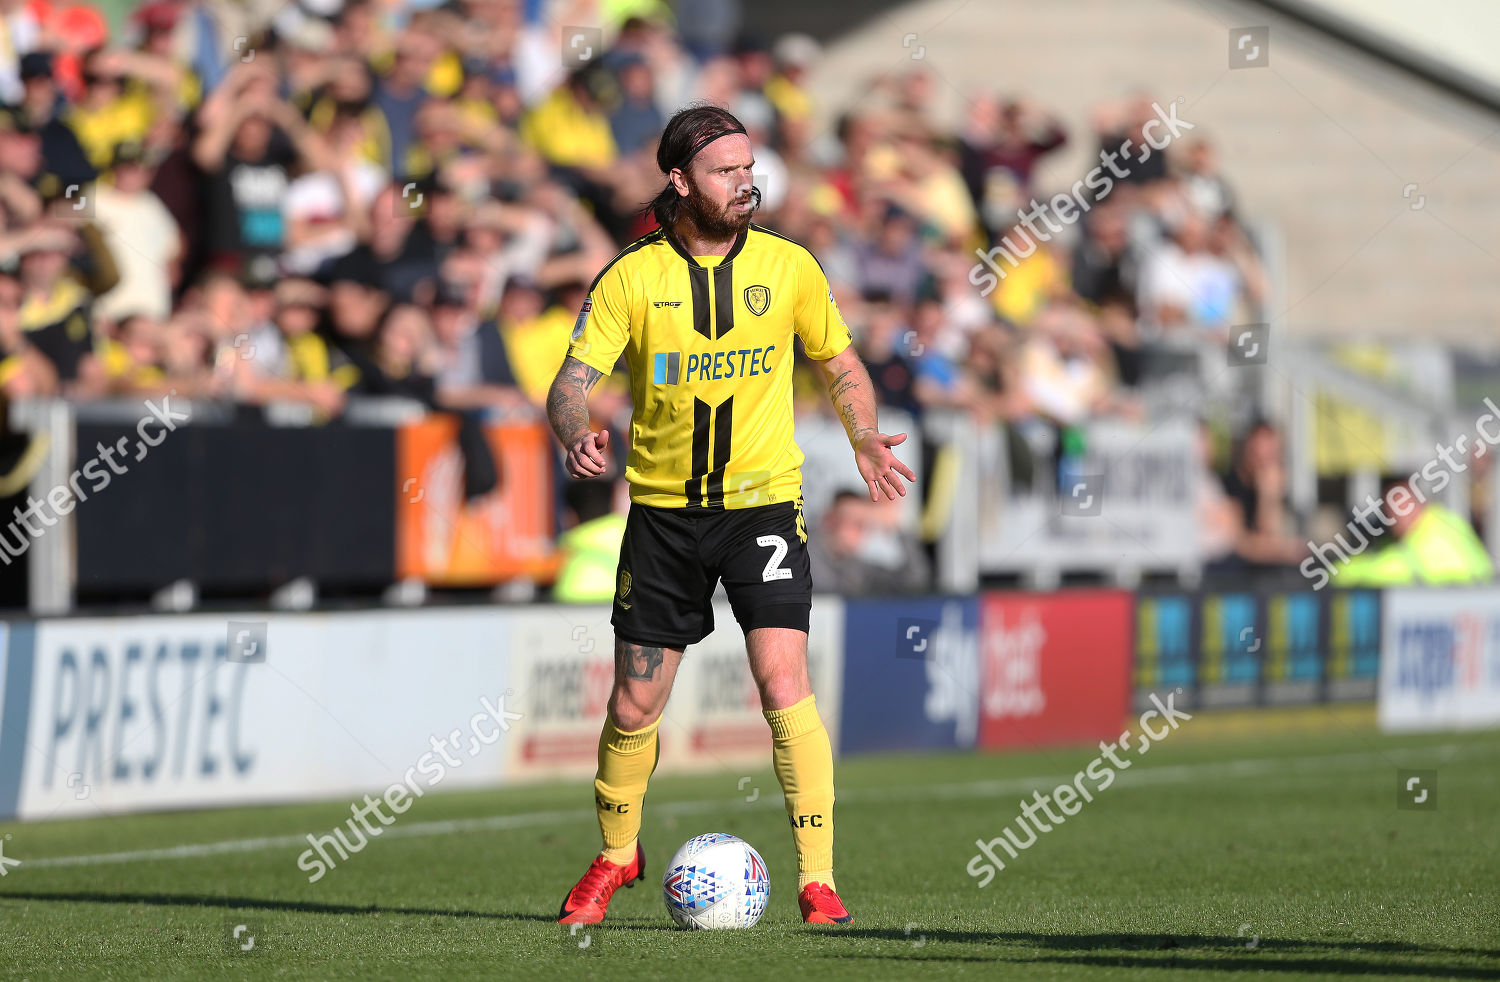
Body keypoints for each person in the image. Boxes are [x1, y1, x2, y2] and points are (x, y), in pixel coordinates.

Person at [546, 104, 914, 927]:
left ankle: (818, 879)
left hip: (762, 510)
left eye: (751, 167)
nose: (747, 182)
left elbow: (840, 362)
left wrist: (862, 437)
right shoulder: (630, 277)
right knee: (635, 705)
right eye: (726, 171)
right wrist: (577, 434)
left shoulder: (789, 267)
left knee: (784, 684)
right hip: (665, 518)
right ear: (679, 182)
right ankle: (615, 857)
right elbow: (569, 386)